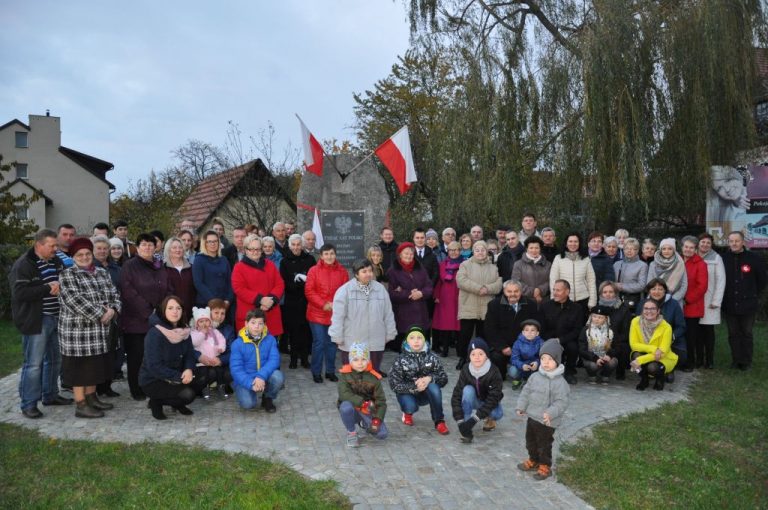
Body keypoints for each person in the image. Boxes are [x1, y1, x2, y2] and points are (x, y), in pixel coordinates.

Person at [58, 237, 121, 418]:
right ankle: (81, 404)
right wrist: (103, 313)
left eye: (87, 253)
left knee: (94, 367)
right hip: (77, 332)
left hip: (99, 332)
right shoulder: (68, 275)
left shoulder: (101, 272)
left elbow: (114, 294)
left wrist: (114, 310)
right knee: (80, 370)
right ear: (73, 256)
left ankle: (92, 398)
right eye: (80, 254)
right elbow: (74, 301)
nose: (85, 257)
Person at [11, 229, 70, 419]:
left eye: (55, 245)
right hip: (36, 320)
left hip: (56, 317)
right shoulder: (24, 264)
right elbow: (20, 294)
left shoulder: (55, 261)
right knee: (34, 364)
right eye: (51, 246)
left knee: (55, 360)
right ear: (38, 245)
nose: (55, 249)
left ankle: (50, 395)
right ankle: (28, 404)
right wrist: (46, 288)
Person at [120, 233, 171, 400]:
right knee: (137, 357)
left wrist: (165, 309)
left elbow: (167, 287)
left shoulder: (159, 265)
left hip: (158, 318)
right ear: (137, 247)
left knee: (154, 355)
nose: (148, 247)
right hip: (136, 320)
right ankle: (137, 389)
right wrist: (149, 312)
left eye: (151, 244)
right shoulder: (129, 266)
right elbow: (128, 292)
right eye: (144, 244)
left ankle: (153, 386)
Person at [516, 339, 570, 481]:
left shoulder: (560, 383)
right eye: (543, 358)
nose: (545, 362)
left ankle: (545, 465)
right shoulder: (534, 377)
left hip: (548, 421)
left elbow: (561, 402)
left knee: (544, 444)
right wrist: (521, 406)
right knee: (531, 441)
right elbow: (526, 392)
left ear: (557, 361)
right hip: (533, 417)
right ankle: (533, 460)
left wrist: (550, 413)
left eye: (550, 359)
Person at [329, 259, 396, 373]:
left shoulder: (380, 289)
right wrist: (337, 336)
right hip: (353, 341)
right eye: (364, 271)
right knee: (352, 376)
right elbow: (338, 317)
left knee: (372, 374)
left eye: (370, 271)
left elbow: (388, 314)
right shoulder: (345, 291)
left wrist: (390, 333)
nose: (368, 274)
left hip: (375, 340)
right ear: (356, 274)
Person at [140, 296, 199, 420]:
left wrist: (188, 369)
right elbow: (154, 366)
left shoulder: (184, 331)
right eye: (170, 308)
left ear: (182, 311)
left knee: (201, 380)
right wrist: (180, 377)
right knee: (188, 394)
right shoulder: (155, 334)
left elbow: (189, 354)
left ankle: (177, 403)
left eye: (178, 308)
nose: (175, 311)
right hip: (154, 379)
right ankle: (156, 402)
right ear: (163, 311)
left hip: (177, 373)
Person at [388, 326, 450, 434]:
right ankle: (407, 413)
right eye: (412, 338)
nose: (416, 341)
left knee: (434, 387)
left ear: (424, 340)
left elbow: (443, 378)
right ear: (407, 341)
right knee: (411, 407)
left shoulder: (432, 357)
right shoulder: (400, 360)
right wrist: (414, 386)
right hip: (408, 393)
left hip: (426, 393)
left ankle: (439, 421)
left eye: (419, 337)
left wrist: (429, 378)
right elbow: (394, 384)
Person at [721, 231, 767, 371]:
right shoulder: (723, 258)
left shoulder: (753, 258)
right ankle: (736, 360)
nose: (734, 243)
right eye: (731, 241)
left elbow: (762, 280)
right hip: (729, 303)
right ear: (728, 243)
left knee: (746, 333)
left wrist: (751, 293)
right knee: (733, 334)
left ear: (743, 242)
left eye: (737, 241)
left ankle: (746, 362)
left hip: (748, 304)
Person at [305, 243, 349, 383]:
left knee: (332, 343)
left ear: (335, 255)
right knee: (319, 343)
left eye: (332, 253)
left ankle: (330, 371)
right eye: (326, 254)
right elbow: (309, 291)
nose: (329, 256)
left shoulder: (342, 271)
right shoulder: (313, 271)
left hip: (334, 314)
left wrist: (334, 305)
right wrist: (323, 304)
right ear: (321, 256)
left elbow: (345, 292)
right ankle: (316, 372)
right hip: (317, 313)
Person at [456, 240, 502, 370]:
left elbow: (498, 285)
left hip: (486, 307)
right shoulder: (465, 264)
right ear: (473, 251)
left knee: (483, 335)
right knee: (465, 334)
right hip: (468, 305)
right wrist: (478, 288)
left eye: (482, 250)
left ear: (486, 251)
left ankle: (481, 360)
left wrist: (487, 289)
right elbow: (461, 280)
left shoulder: (493, 267)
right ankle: (463, 358)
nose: (480, 252)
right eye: (477, 250)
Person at [229, 309, 284, 412]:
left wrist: (261, 376)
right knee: (248, 404)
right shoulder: (237, 344)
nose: (256, 326)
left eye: (260, 323)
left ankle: (267, 398)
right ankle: (246, 390)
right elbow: (236, 369)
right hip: (246, 377)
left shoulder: (270, 339)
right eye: (253, 322)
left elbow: (274, 360)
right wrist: (251, 384)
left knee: (278, 377)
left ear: (264, 325)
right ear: (246, 323)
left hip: (263, 375)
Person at [483, 279, 539, 378]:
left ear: (521, 292)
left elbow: (536, 327)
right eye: (509, 291)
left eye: (516, 291)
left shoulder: (531, 305)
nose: (513, 294)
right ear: (504, 292)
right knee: (497, 358)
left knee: (517, 374)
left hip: (523, 344)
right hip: (503, 345)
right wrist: (502, 346)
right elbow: (490, 329)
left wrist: (523, 345)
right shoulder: (494, 305)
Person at [452, 338, 504, 443]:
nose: (477, 357)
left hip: (488, 402)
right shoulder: (466, 369)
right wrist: (460, 421)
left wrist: (474, 419)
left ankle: (488, 419)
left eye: (481, 354)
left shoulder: (494, 371)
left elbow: (494, 397)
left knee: (497, 414)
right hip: (473, 399)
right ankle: (465, 428)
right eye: (473, 354)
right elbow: (457, 394)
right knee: (467, 390)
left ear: (486, 355)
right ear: (469, 356)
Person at [337, 342, 388, 447]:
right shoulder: (344, 375)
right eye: (355, 359)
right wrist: (363, 403)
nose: (360, 363)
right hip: (353, 409)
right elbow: (344, 394)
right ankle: (352, 433)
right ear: (350, 361)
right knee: (345, 407)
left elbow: (381, 401)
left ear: (368, 360)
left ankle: (365, 423)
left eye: (363, 359)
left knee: (382, 434)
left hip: (368, 411)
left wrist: (377, 419)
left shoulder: (374, 378)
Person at [231, 235, 284, 335]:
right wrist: (260, 300)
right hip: (250, 314)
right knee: (250, 348)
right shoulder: (239, 267)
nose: (255, 252)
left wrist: (271, 300)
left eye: (258, 249)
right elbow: (239, 289)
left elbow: (279, 283)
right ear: (245, 250)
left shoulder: (270, 264)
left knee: (270, 347)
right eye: (251, 249)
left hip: (270, 311)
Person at [387, 242, 433, 353]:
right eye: (406, 253)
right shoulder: (393, 271)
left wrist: (421, 293)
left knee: (421, 347)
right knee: (406, 348)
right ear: (400, 255)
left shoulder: (420, 269)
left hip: (420, 314)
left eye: (411, 253)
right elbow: (392, 294)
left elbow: (429, 286)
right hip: (403, 316)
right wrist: (408, 294)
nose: (409, 256)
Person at [638, 279, 686, 382]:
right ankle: (648, 370)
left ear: (665, 291)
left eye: (660, 289)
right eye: (654, 289)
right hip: (648, 341)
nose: (657, 291)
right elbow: (637, 324)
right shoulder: (642, 303)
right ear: (649, 291)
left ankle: (667, 369)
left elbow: (681, 326)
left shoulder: (674, 304)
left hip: (669, 342)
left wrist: (671, 336)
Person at [92, 234, 123, 394]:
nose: (103, 251)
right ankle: (95, 387)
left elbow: (120, 291)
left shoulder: (116, 268)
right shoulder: (90, 267)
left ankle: (106, 386)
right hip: (96, 317)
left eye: (105, 248)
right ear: (93, 250)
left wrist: (116, 310)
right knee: (98, 354)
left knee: (111, 353)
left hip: (114, 315)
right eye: (99, 249)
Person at [280, 233, 315, 369]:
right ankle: (294, 359)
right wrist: (298, 285)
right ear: (290, 246)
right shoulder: (284, 261)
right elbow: (284, 281)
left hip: (307, 301)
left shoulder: (310, 259)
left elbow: (313, 279)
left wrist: (304, 284)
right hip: (292, 301)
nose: (296, 247)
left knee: (306, 331)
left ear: (302, 245)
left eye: (298, 244)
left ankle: (305, 359)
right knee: (293, 332)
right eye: (293, 245)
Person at [540, 280, 582, 385]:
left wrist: (561, 340)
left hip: (567, 339)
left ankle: (569, 373)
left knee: (573, 347)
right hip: (549, 339)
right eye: (554, 290)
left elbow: (577, 330)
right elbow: (541, 327)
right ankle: (548, 371)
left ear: (567, 292)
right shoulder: (546, 306)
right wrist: (551, 340)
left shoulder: (577, 308)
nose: (554, 293)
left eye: (558, 290)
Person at [629, 299, 678, 391]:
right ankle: (644, 379)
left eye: (652, 309)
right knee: (635, 355)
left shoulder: (666, 327)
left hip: (662, 357)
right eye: (646, 308)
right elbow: (633, 345)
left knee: (652, 367)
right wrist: (654, 349)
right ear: (642, 310)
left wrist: (641, 360)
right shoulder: (635, 322)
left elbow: (663, 352)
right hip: (650, 352)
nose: (649, 311)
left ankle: (660, 378)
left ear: (658, 311)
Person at [697, 233, 726, 369]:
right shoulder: (692, 256)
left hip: (710, 301)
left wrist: (716, 301)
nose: (705, 245)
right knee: (695, 332)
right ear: (698, 243)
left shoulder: (716, 258)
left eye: (708, 243)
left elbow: (721, 281)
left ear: (711, 244)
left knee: (708, 332)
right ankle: (698, 359)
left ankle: (709, 361)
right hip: (695, 301)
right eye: (703, 242)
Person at [680, 235, 708, 371]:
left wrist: (687, 299)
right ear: (682, 247)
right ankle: (680, 360)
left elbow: (702, 287)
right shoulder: (677, 260)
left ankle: (690, 362)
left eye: (691, 247)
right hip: (677, 304)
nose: (688, 250)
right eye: (686, 246)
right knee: (679, 334)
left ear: (696, 249)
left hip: (692, 306)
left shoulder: (700, 263)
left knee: (691, 337)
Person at [550, 232, 597, 312]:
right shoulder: (558, 258)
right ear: (566, 243)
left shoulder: (585, 259)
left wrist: (592, 301)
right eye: (570, 241)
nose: (573, 244)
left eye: (576, 241)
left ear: (579, 243)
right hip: (564, 299)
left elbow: (591, 281)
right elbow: (553, 279)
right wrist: (554, 298)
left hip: (583, 299)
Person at [190, 306, 229, 399]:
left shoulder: (214, 331)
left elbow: (222, 340)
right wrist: (202, 333)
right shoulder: (194, 333)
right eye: (201, 321)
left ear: (210, 322)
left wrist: (221, 348)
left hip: (215, 358)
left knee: (220, 372)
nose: (204, 323)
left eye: (206, 321)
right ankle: (205, 388)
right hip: (202, 361)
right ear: (196, 324)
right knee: (204, 374)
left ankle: (221, 386)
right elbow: (194, 342)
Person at [432, 241, 462, 357]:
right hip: (445, 297)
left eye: (455, 250)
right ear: (447, 251)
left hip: (459, 297)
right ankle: (445, 350)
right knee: (445, 325)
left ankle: (460, 350)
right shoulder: (443, 264)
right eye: (450, 250)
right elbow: (439, 281)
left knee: (459, 325)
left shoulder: (464, 264)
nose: (453, 252)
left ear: (460, 251)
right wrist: (437, 295)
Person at [597, 281, 631, 380]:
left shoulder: (624, 309)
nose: (608, 294)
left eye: (611, 292)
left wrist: (611, 342)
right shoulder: (596, 308)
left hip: (617, 341)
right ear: (600, 294)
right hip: (599, 340)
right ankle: (597, 369)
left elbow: (625, 332)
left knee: (624, 346)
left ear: (616, 293)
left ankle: (620, 371)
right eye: (605, 292)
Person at [192, 230, 234, 308]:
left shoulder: (224, 260)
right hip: (205, 304)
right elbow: (198, 283)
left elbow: (230, 281)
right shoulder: (199, 260)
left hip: (224, 304)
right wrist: (213, 300)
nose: (213, 244)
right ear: (204, 243)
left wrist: (228, 299)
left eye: (215, 241)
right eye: (209, 241)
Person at [578, 306, 619, 383]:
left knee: (613, 362)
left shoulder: (611, 330)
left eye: (600, 317)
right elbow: (582, 349)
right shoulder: (586, 330)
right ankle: (592, 375)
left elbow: (617, 346)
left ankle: (605, 375)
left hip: (605, 356)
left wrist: (609, 355)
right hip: (591, 357)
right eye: (594, 316)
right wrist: (595, 358)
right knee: (592, 366)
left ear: (606, 319)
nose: (596, 319)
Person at [511, 235, 552, 304]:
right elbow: (516, 282)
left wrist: (540, 290)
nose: (534, 250)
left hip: (544, 300)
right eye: (531, 248)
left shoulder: (548, 264)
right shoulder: (518, 264)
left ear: (540, 249)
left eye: (536, 248)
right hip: (524, 301)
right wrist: (533, 292)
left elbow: (551, 281)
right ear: (527, 249)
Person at [164, 236, 196, 321]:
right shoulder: (163, 268)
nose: (178, 250)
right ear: (168, 250)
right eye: (174, 247)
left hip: (190, 310)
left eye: (180, 247)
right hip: (171, 312)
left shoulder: (191, 268)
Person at [647, 238, 688, 302]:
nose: (666, 251)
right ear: (661, 250)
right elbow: (649, 283)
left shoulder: (680, 264)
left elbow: (684, 285)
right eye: (664, 249)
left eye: (670, 249)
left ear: (674, 250)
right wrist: (658, 298)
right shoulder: (653, 264)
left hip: (675, 301)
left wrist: (672, 299)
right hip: (656, 300)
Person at [508, 319, 544, 389]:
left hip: (534, 367)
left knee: (543, 370)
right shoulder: (517, 343)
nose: (529, 332)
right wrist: (522, 365)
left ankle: (529, 381)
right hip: (522, 366)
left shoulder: (541, 342)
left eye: (532, 330)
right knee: (513, 371)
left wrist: (537, 362)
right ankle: (518, 379)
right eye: (526, 330)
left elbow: (544, 356)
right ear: (523, 332)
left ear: (537, 333)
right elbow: (514, 358)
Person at [613, 237, 647, 309]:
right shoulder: (616, 264)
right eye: (626, 248)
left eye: (633, 249)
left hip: (632, 300)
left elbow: (641, 286)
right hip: (615, 299)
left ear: (637, 250)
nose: (629, 251)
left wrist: (622, 287)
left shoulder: (642, 265)